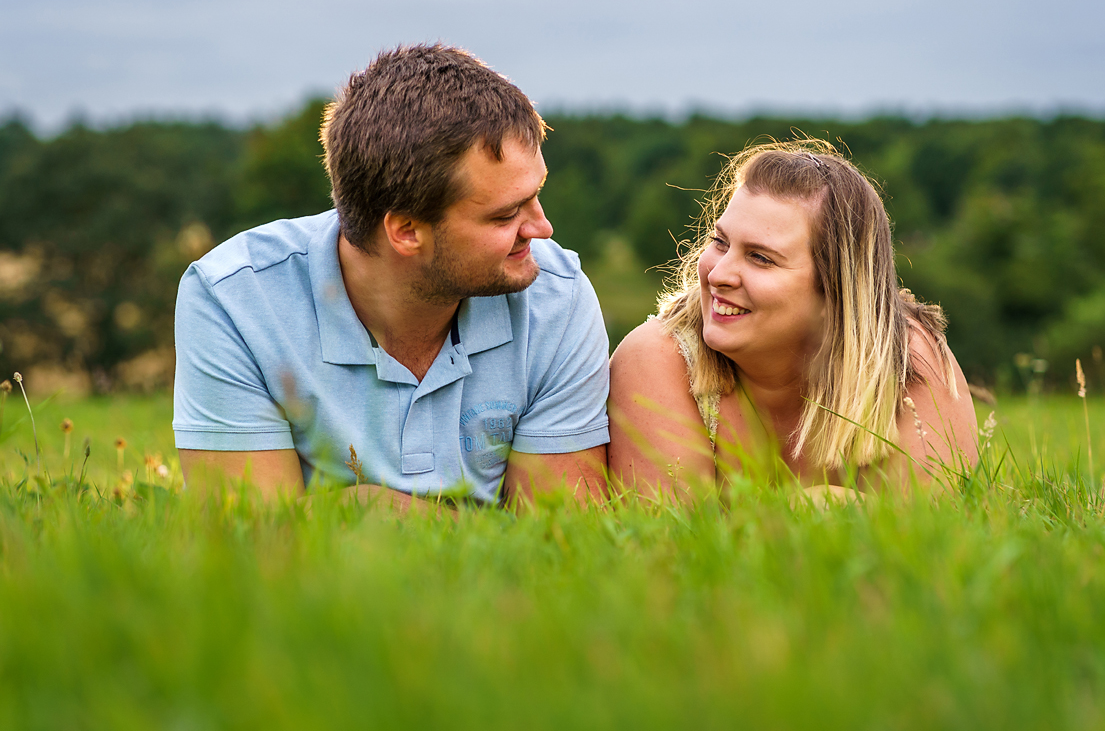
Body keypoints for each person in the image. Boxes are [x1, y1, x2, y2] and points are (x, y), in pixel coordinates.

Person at [173, 44, 609, 510]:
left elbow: (560, 541)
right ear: (405, 232)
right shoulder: (233, 298)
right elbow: (251, 540)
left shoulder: (557, 297)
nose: (542, 229)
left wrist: (363, 508)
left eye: (535, 195)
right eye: (505, 216)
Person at [608, 138, 977, 501]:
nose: (719, 273)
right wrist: (819, 505)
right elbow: (663, 545)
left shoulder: (908, 361)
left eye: (760, 258)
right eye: (720, 242)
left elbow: (930, 540)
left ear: (833, 292)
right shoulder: (657, 357)